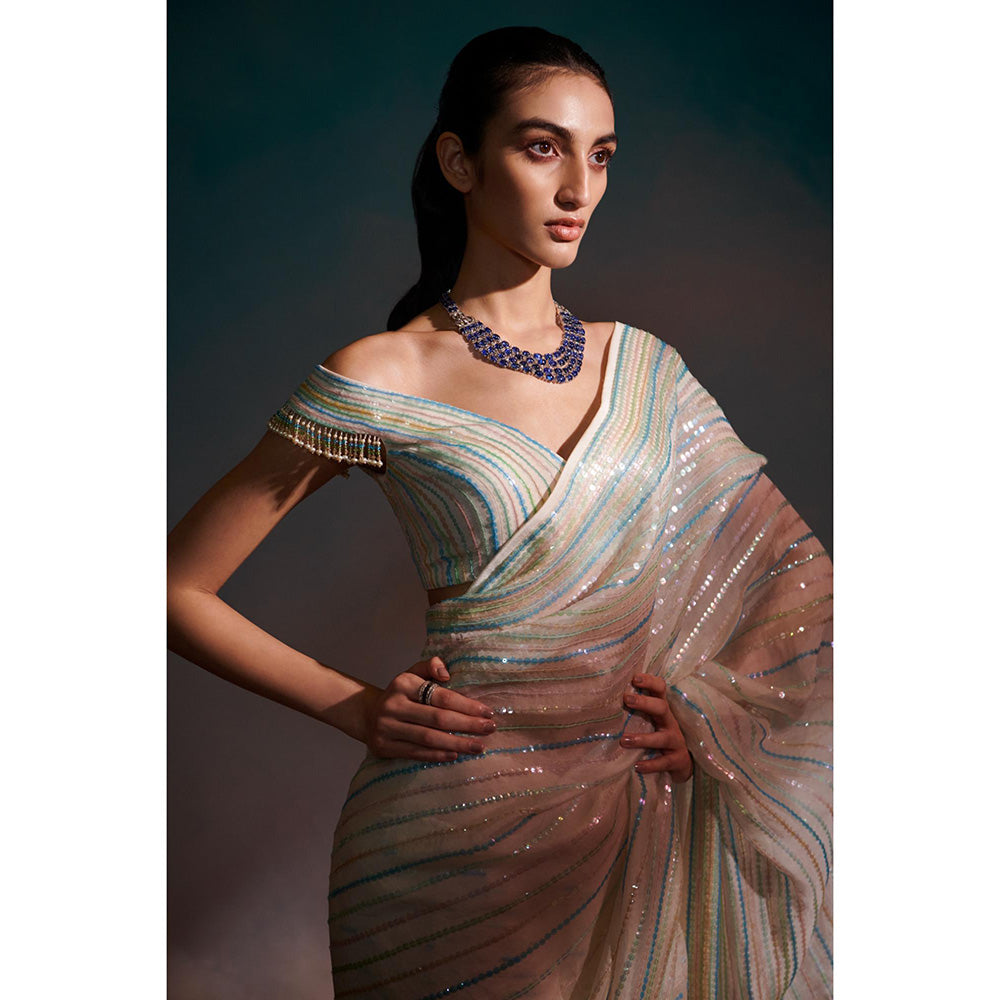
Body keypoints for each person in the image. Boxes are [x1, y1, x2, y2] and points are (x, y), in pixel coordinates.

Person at [167, 25, 832, 1000]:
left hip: (631, 839)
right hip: (442, 853)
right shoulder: (380, 376)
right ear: (459, 162)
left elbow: (797, 593)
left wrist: (707, 718)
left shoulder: (647, 372)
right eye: (542, 147)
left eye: (600, 156)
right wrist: (358, 707)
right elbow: (173, 587)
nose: (578, 188)